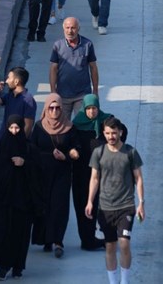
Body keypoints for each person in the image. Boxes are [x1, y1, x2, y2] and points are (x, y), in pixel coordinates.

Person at [0, 115, 42, 280]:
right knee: (1, 234)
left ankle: (16, 266)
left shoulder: (29, 148)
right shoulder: (2, 147)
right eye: (11, 128)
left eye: (18, 128)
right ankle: (2, 264)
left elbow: (38, 173)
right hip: (4, 201)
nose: (15, 132)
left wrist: (24, 163)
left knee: (20, 235)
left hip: (23, 202)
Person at [88, 117, 145, 284]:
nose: (111, 136)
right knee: (110, 246)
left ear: (120, 132)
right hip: (105, 208)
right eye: (107, 133)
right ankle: (113, 281)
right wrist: (90, 201)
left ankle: (124, 281)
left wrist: (141, 202)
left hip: (126, 206)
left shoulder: (130, 152)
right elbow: (94, 178)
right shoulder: (98, 153)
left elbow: (139, 178)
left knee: (124, 244)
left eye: (114, 133)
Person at [30, 93, 80, 259]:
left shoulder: (69, 127)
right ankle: (46, 239)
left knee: (59, 206)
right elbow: (32, 148)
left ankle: (58, 241)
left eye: (58, 107)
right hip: (41, 174)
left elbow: (75, 147)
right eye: (51, 108)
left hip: (62, 173)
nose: (54, 111)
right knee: (44, 206)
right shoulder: (38, 127)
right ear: (46, 108)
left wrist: (68, 155)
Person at [72, 94, 120, 252]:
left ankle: (108, 235)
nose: (92, 112)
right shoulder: (77, 124)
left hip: (103, 172)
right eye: (89, 109)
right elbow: (71, 142)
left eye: (94, 108)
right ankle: (87, 239)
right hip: (82, 172)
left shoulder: (105, 120)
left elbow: (121, 131)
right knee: (83, 205)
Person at [49, 17, 99, 119]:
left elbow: (93, 68)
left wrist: (95, 91)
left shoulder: (87, 44)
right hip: (62, 95)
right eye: (67, 28)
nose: (70, 31)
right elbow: (53, 69)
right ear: (63, 29)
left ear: (78, 28)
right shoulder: (57, 46)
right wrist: (53, 91)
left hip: (82, 94)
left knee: (81, 125)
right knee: (62, 126)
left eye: (73, 28)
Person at [0, 66, 37, 139]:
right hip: (4, 141)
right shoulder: (9, 96)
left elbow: (28, 126)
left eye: (9, 78)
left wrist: (18, 144)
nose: (6, 81)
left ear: (16, 81)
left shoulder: (29, 101)